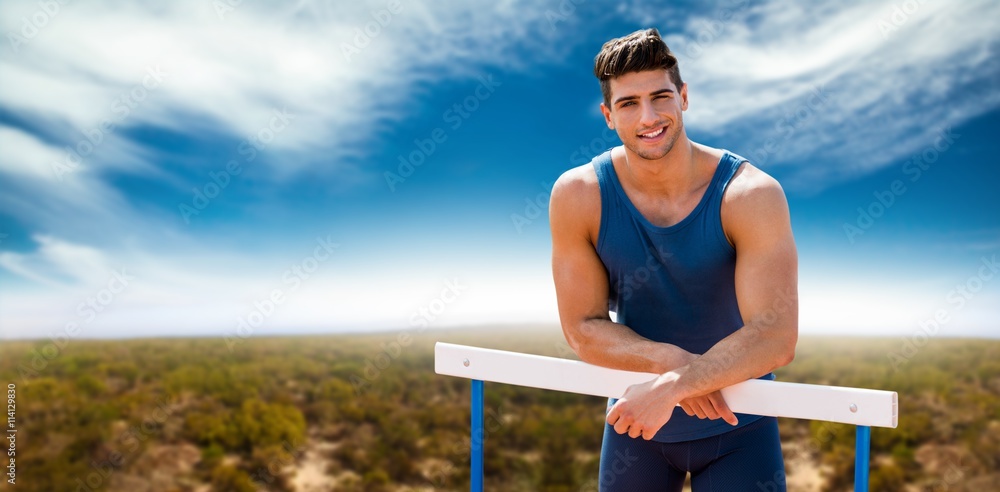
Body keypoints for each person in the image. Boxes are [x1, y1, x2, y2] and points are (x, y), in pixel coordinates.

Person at [549, 27, 798, 491]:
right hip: (637, 422)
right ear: (608, 116)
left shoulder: (750, 195)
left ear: (683, 97)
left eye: (660, 96)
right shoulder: (578, 195)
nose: (648, 117)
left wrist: (674, 385)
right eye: (628, 103)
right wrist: (671, 365)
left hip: (740, 426)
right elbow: (581, 327)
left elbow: (775, 335)